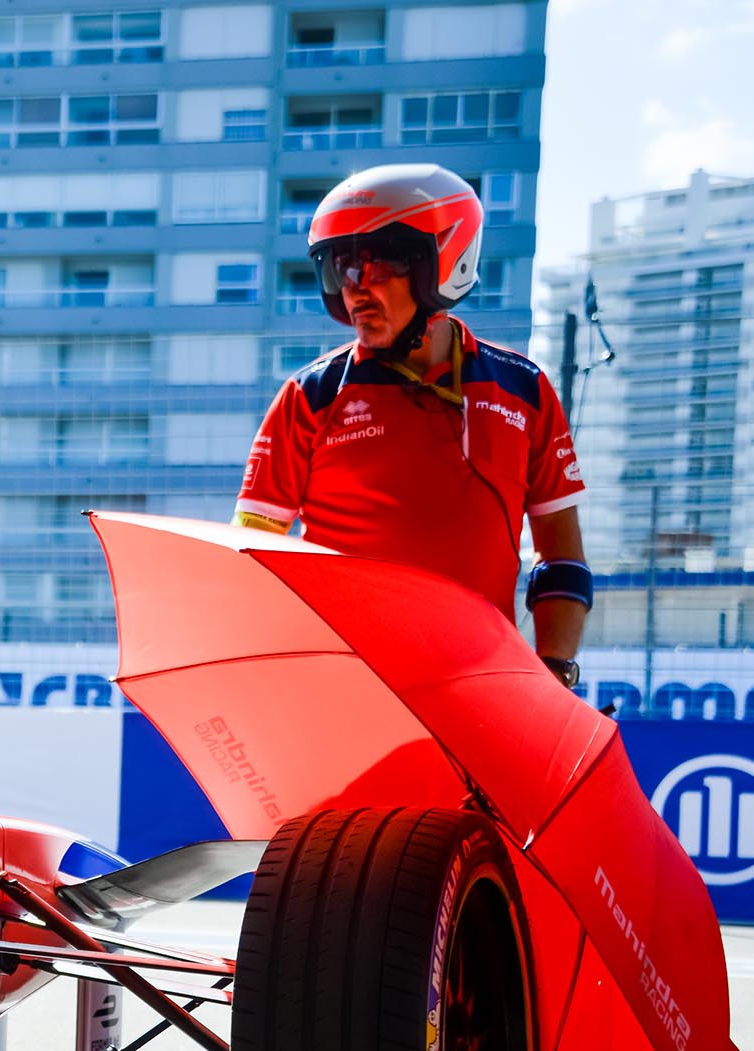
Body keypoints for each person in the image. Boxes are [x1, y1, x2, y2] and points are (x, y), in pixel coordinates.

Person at [232, 164, 594, 686]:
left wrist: (554, 676)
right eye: (341, 269)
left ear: (442, 264)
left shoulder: (525, 390)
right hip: (344, 684)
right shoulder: (309, 397)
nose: (355, 290)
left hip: (481, 685)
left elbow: (563, 560)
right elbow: (251, 557)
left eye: (377, 269)